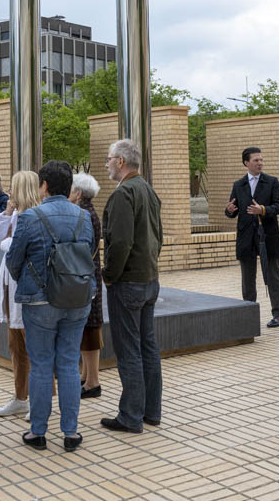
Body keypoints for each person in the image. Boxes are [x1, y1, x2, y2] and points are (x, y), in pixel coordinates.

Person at [7, 160, 94, 452]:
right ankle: (70, 432)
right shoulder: (84, 217)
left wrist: (31, 281)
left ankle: (38, 432)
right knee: (69, 364)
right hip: (77, 299)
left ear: (43, 186)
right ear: (69, 187)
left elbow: (13, 262)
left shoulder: (30, 217)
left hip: (40, 301)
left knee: (42, 366)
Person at [100, 139, 163, 434]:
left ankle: (130, 416)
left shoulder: (123, 193)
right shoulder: (147, 189)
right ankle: (151, 411)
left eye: (109, 159)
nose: (107, 164)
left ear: (121, 161)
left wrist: (109, 274)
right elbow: (158, 236)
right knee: (148, 346)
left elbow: (120, 242)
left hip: (128, 284)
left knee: (129, 350)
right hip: (149, 280)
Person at [0, 170, 39, 417]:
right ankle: (21, 397)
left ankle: (40, 400)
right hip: (10, 286)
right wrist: (7, 213)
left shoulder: (36, 215)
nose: (9, 191)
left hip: (28, 289)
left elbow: (16, 246)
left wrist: (10, 242)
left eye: (13, 186)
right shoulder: (16, 214)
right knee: (16, 345)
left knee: (34, 347)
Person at [225, 147, 279, 328]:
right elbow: (232, 210)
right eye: (256, 160)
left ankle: (278, 315)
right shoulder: (239, 184)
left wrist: (263, 210)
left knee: (273, 276)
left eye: (261, 160)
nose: (260, 163)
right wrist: (229, 210)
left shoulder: (272, 181)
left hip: (268, 235)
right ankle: (249, 313)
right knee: (247, 278)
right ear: (246, 163)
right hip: (246, 237)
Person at [69, 172, 104, 398]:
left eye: (72, 189)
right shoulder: (88, 212)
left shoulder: (85, 215)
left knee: (90, 329)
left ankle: (93, 382)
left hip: (87, 278)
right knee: (87, 328)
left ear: (79, 193)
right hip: (90, 277)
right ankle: (85, 376)